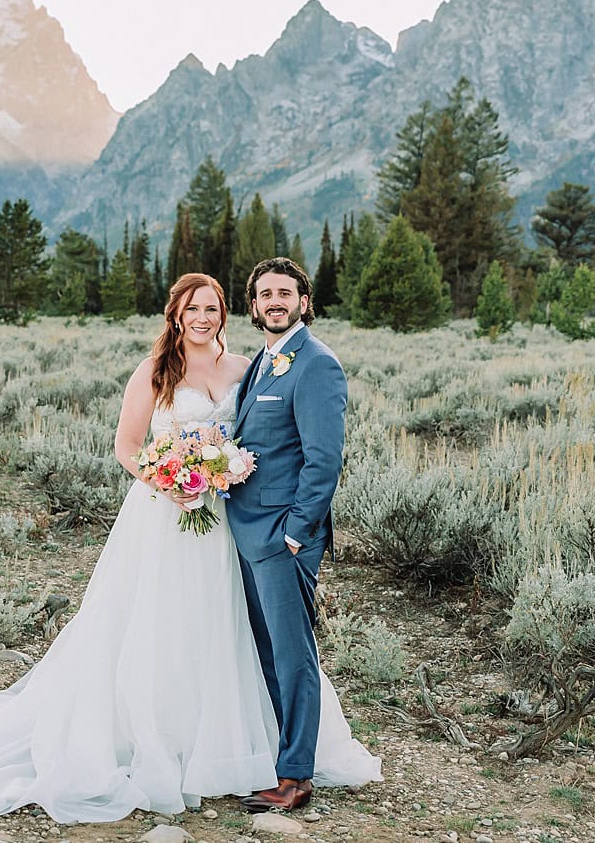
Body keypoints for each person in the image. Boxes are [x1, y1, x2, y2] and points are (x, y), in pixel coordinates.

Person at [0, 273, 379, 823]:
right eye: (192, 308)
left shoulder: (248, 368)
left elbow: (271, 445)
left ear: (233, 314)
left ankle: (242, 748)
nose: (202, 317)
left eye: (212, 308)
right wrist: (169, 480)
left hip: (231, 521)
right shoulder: (156, 367)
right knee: (158, 626)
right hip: (167, 517)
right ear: (175, 314)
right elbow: (129, 446)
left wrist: (235, 487)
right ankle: (161, 743)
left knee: (224, 631)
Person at [229, 257, 347, 812]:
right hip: (247, 531)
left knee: (293, 656)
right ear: (254, 306)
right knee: (267, 652)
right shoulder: (265, 359)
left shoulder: (317, 365)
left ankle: (295, 777)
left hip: (280, 537)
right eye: (264, 293)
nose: (274, 301)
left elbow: (323, 461)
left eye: (285, 292)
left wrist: (297, 534)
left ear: (304, 300)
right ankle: (279, 755)